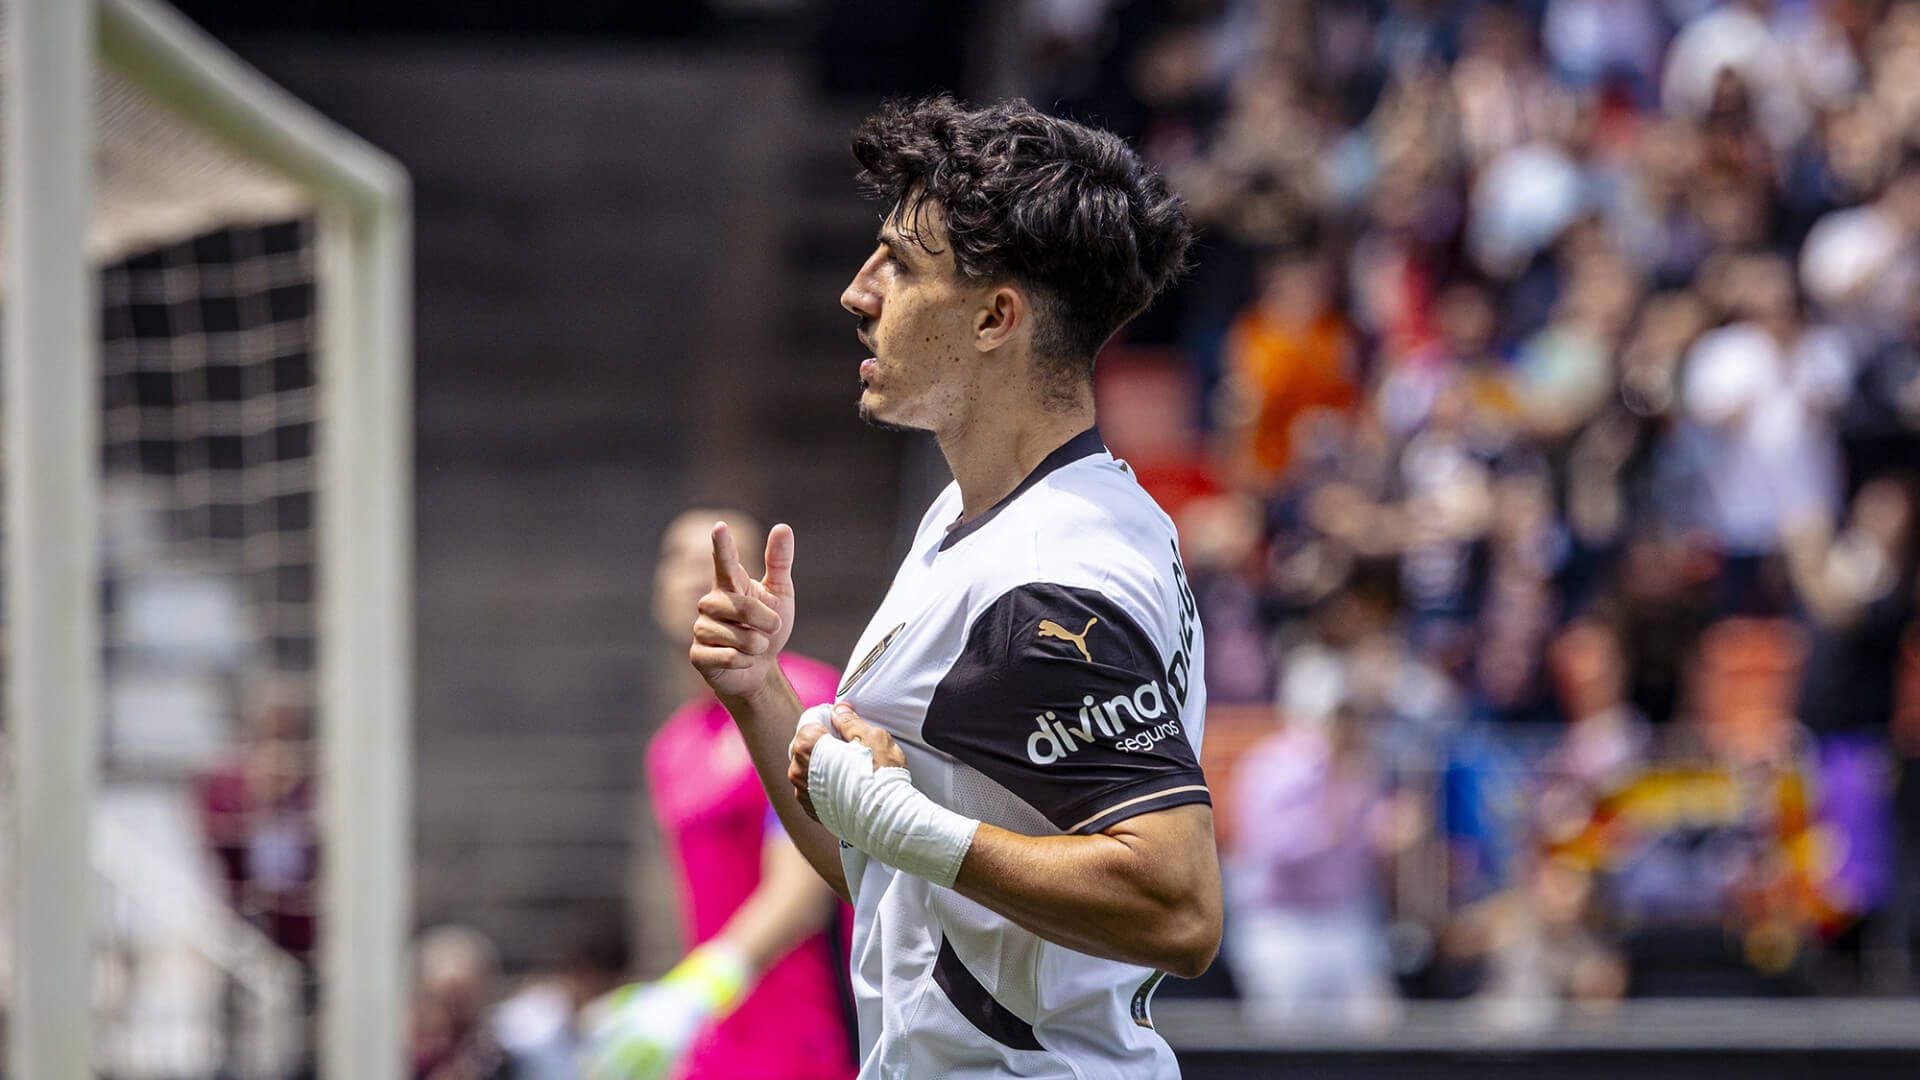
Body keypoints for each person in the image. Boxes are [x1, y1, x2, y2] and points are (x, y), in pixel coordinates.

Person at [689, 96, 1220, 1077]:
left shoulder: (1056, 579)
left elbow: (1177, 907)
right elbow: (883, 861)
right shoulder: (981, 515)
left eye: (898, 263)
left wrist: (908, 824)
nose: (859, 291)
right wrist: (761, 692)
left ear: (995, 317)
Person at [588, 510, 855, 1080]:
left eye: (716, 560)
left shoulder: (804, 700)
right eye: (677, 560)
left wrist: (696, 990)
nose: (693, 576)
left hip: (814, 1046)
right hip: (717, 1048)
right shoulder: (672, 748)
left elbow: (807, 881)